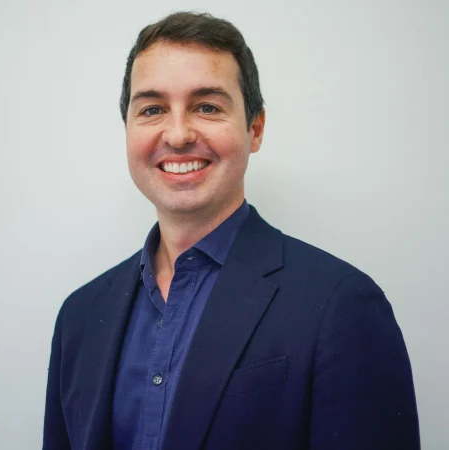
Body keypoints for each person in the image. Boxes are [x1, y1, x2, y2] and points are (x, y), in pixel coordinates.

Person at [42, 11, 420, 450]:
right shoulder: (79, 316)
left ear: (254, 129)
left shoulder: (340, 307)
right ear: (127, 128)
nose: (178, 134)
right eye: (152, 109)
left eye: (207, 106)